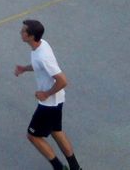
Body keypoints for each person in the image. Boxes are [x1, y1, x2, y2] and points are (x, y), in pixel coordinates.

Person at [14, 20, 83, 170]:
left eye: (23, 31)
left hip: (49, 104)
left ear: (31, 36)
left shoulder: (42, 56)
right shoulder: (41, 45)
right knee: (55, 131)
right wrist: (24, 68)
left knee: (33, 136)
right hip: (57, 100)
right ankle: (75, 167)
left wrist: (46, 94)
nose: (20, 32)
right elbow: (39, 66)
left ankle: (59, 168)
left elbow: (62, 80)